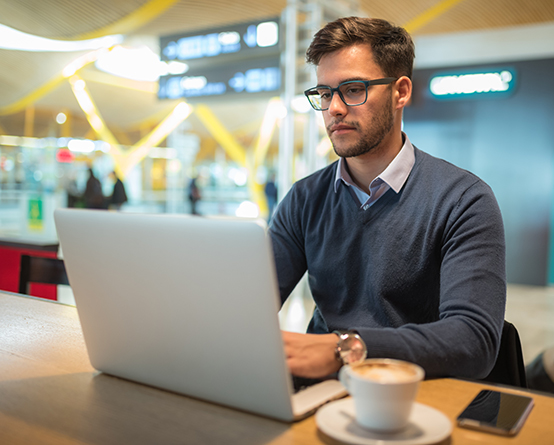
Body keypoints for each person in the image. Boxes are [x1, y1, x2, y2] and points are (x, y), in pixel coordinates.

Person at [269, 17, 506, 382]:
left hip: (416, 392)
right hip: (322, 390)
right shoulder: (304, 198)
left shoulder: (464, 200)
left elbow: (474, 341)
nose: (333, 108)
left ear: (401, 92)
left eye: (352, 89)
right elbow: (252, 305)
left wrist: (345, 348)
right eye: (325, 93)